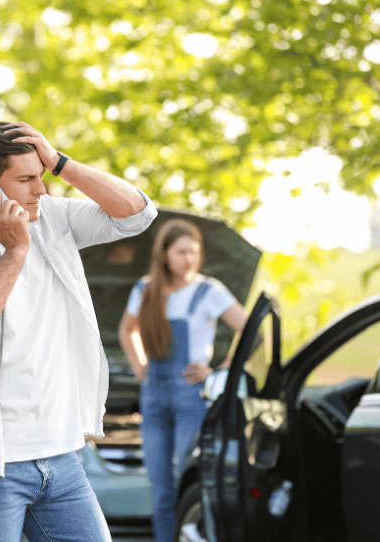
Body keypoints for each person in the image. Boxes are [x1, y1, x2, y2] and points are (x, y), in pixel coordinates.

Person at [0, 121, 157, 542]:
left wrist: (61, 163)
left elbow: (138, 215)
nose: (40, 190)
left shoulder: (55, 217)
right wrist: (16, 250)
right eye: (26, 179)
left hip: (61, 457)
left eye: (41, 176)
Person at [118, 219, 248, 542]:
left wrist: (219, 371)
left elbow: (250, 329)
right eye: (181, 252)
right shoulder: (145, 289)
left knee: (185, 481)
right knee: (160, 488)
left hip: (192, 398)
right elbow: (127, 329)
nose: (189, 259)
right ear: (164, 254)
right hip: (154, 397)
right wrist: (139, 365)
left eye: (194, 251)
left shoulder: (209, 290)